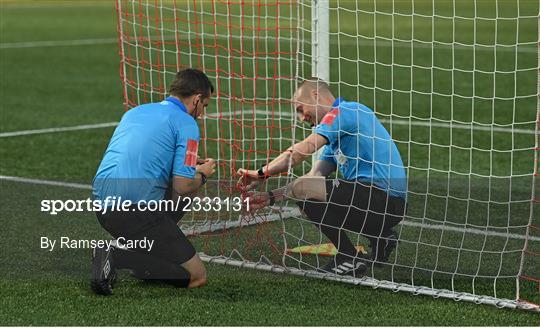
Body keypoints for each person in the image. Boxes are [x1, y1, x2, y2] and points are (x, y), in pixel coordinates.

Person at [238, 78, 407, 277]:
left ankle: (348, 256)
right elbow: (311, 179)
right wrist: (270, 197)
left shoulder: (346, 111)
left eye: (301, 109)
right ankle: (381, 236)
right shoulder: (334, 141)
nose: (302, 118)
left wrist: (262, 173)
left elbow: (302, 152)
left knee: (311, 193)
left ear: (315, 95)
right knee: (309, 193)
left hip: (383, 200)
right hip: (383, 205)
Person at [91, 68, 216, 295]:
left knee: (185, 176)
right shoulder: (187, 124)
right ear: (197, 99)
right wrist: (203, 174)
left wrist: (187, 167)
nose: (202, 113)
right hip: (135, 212)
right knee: (196, 277)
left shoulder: (136, 111)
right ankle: (115, 255)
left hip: (102, 206)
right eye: (204, 106)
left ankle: (146, 257)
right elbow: (182, 186)